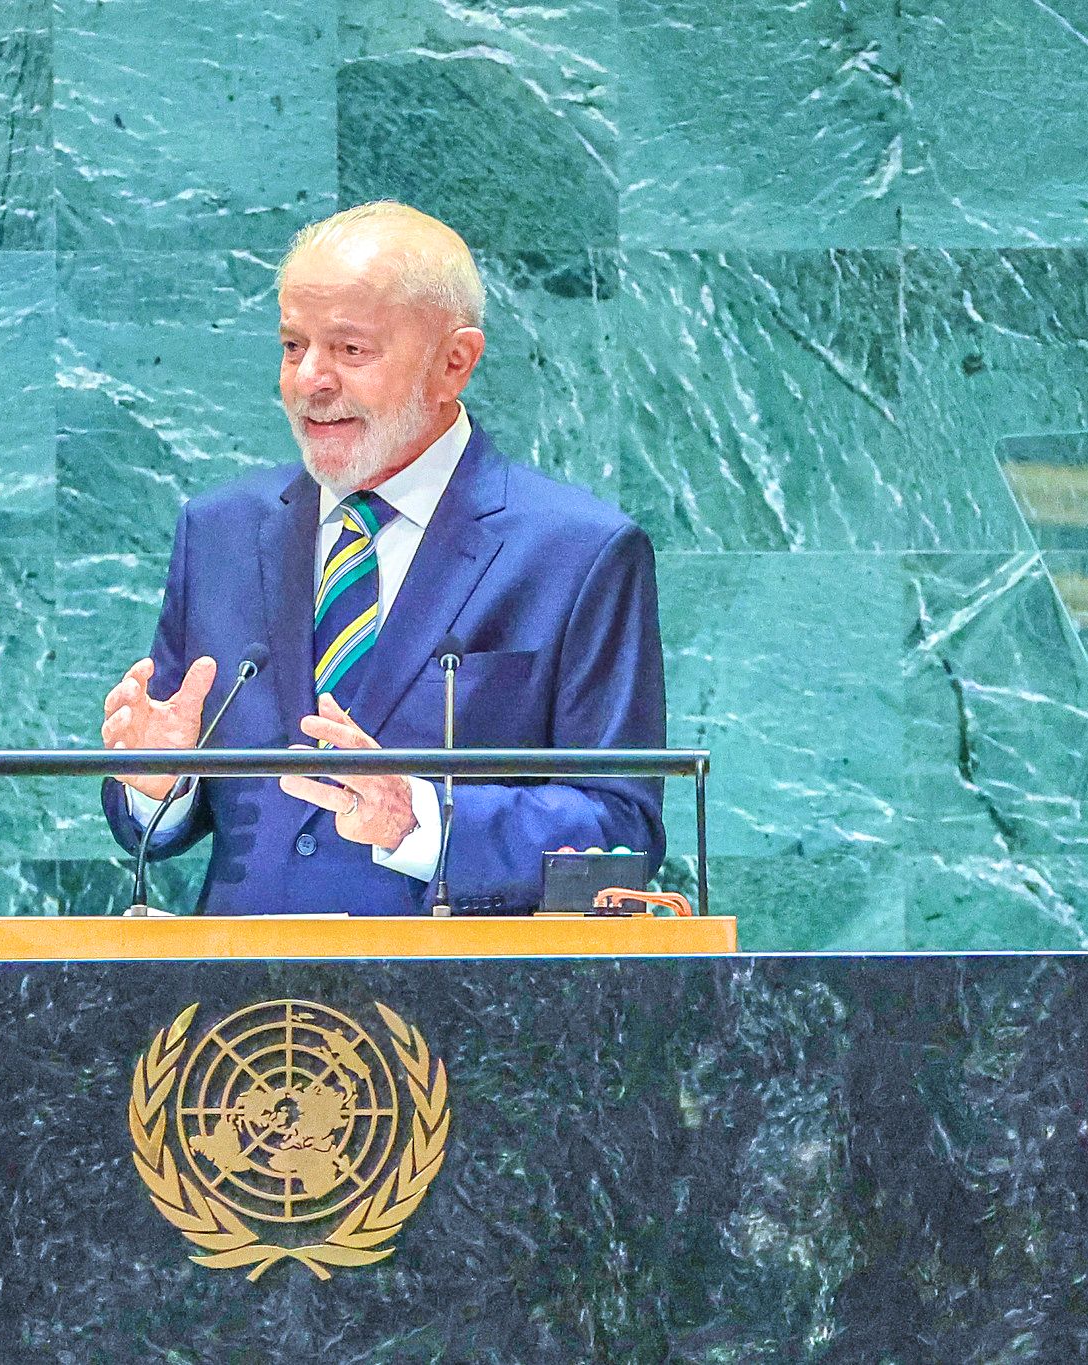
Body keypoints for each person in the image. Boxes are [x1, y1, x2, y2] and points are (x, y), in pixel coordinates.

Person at [98, 201, 664, 916]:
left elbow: (621, 828)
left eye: (350, 350)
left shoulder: (579, 553)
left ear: (453, 363)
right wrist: (159, 784)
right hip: (244, 1014)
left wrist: (420, 819)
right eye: (292, 346)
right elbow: (168, 818)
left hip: (465, 1008)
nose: (311, 380)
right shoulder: (219, 531)